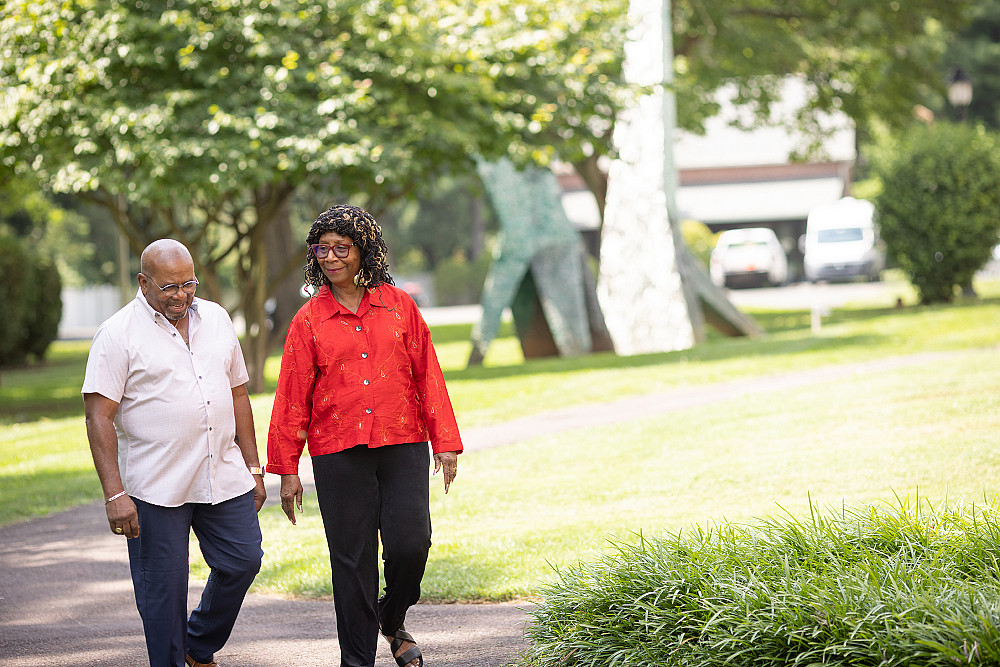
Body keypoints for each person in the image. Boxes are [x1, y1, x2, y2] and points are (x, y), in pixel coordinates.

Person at [267, 204, 462, 667]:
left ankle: (390, 618)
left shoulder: (399, 306)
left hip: (402, 441)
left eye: (341, 247)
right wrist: (287, 469)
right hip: (338, 453)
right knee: (352, 562)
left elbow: (427, 374)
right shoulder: (308, 320)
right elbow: (292, 396)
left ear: (363, 251)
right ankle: (357, 661)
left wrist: (446, 442)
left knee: (411, 544)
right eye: (322, 249)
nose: (331, 257)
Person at [82, 239, 266, 667]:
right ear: (144, 283)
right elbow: (98, 418)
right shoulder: (117, 333)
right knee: (162, 595)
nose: (181, 294)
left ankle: (197, 645)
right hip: (155, 485)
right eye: (169, 287)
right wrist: (114, 494)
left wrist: (252, 465)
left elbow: (238, 393)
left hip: (222, 472)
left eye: (189, 284)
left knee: (243, 560)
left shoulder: (217, 318)